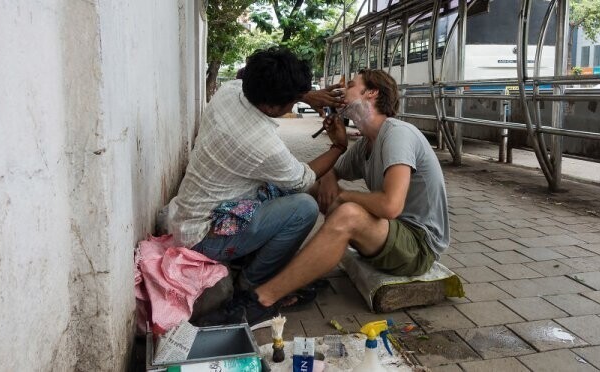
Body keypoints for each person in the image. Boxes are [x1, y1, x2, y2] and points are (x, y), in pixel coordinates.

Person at [214, 68, 450, 325]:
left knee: (349, 213)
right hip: (388, 235)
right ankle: (269, 263)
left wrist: (345, 197)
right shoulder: (366, 143)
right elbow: (326, 175)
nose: (341, 92)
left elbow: (391, 206)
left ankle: (262, 300)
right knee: (306, 185)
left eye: (350, 85)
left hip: (418, 245)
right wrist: (336, 146)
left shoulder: (397, 133)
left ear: (371, 93)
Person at [167, 47, 347, 307]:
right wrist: (338, 146)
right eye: (292, 102)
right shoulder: (263, 145)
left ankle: (248, 261)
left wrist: (305, 95)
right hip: (203, 237)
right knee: (304, 206)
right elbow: (303, 180)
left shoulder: (229, 92)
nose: (294, 105)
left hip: (188, 217)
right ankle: (253, 285)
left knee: (278, 190)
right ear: (272, 106)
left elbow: (247, 80)